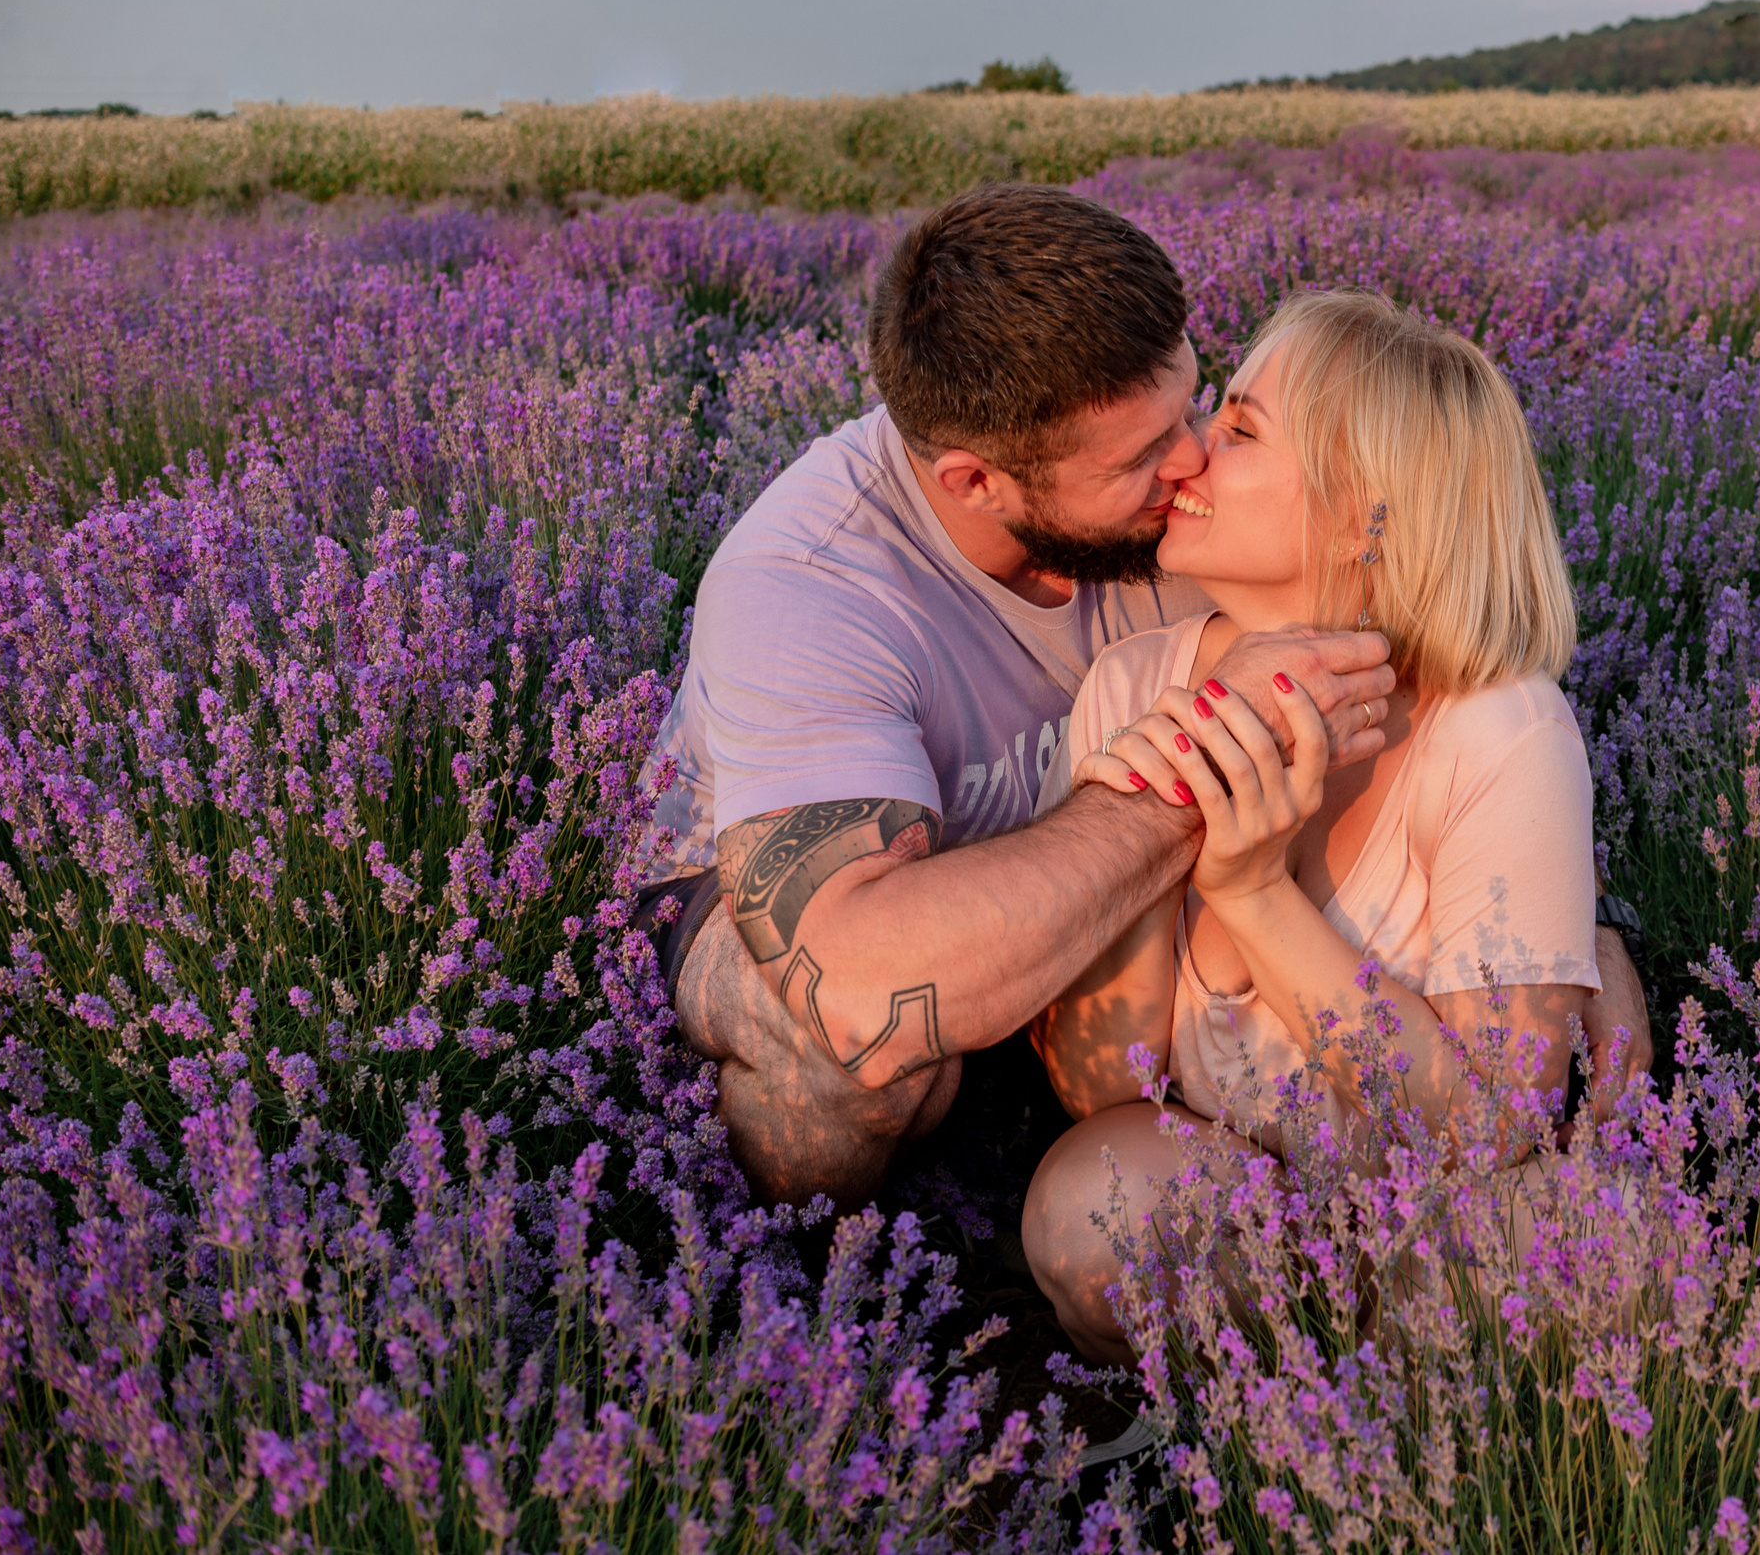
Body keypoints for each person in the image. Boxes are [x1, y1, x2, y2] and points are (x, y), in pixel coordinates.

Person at [636, 185, 1651, 1212]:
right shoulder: (812, 583)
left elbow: (1434, 607)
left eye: (1201, 407)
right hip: (829, 904)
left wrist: (1571, 931)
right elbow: (860, 986)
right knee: (847, 1057)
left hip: (1093, 927)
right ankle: (792, 1292)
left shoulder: (1177, 521)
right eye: (1136, 459)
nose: (1190, 461)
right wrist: (1205, 772)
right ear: (976, 482)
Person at [1021, 289, 1613, 1365]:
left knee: (1574, 1254)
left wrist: (1251, 891)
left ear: (1362, 515)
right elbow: (1104, 1089)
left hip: (1447, 1203)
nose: (1186, 457)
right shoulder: (1133, 685)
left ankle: (1385, 1422)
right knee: (1085, 1208)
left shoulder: (1498, 732)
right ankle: (1286, 1407)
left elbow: (1491, 1131)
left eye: (1238, 431)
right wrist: (1148, 833)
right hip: (1241, 1197)